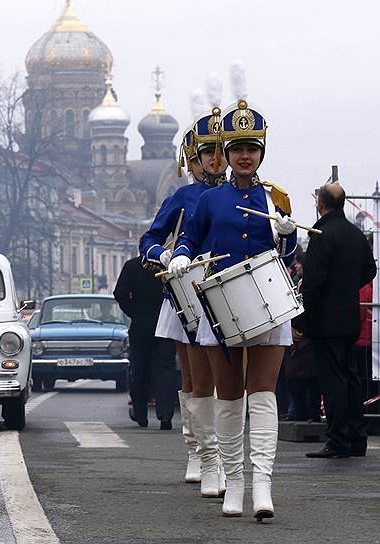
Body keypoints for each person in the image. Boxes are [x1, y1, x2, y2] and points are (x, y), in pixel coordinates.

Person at [170, 99, 296, 520]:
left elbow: (288, 252)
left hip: (268, 305)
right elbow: (188, 238)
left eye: (252, 148)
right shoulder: (209, 200)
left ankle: (262, 485)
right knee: (229, 398)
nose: (245, 156)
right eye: (238, 148)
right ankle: (233, 482)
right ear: (226, 153)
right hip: (221, 307)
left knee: (262, 397)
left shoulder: (276, 197)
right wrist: (180, 257)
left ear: (261, 152)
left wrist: (287, 232)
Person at [140, 114, 227, 496]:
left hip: (229, 291)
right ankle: (199, 451)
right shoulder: (183, 197)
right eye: (207, 153)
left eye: (221, 152)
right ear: (190, 161)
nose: (215, 160)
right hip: (188, 292)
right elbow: (149, 239)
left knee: (229, 379)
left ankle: (225, 455)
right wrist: (164, 255)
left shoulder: (245, 192)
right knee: (194, 378)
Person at [297, 184, 376, 458]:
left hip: (325, 320)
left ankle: (338, 440)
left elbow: (313, 283)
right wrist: (346, 288)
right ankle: (357, 438)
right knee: (351, 378)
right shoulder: (355, 235)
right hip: (350, 317)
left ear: (320, 203)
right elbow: (370, 270)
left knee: (333, 381)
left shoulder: (321, 234)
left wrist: (302, 321)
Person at [114, 245, 176, 430]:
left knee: (139, 369)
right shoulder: (168, 266)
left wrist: (134, 312)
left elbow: (120, 294)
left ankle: (141, 414)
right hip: (166, 326)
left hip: (140, 326)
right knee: (165, 369)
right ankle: (165, 417)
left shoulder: (132, 266)